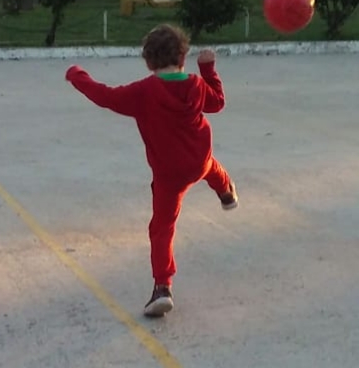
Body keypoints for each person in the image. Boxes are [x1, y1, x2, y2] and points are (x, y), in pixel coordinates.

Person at [65, 24, 238, 317]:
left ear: (148, 61)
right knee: (210, 167)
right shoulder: (196, 84)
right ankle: (226, 192)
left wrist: (76, 76)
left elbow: (104, 96)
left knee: (162, 229)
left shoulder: (143, 92)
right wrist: (208, 68)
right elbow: (218, 103)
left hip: (169, 176)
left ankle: (162, 287)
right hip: (199, 160)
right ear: (183, 57)